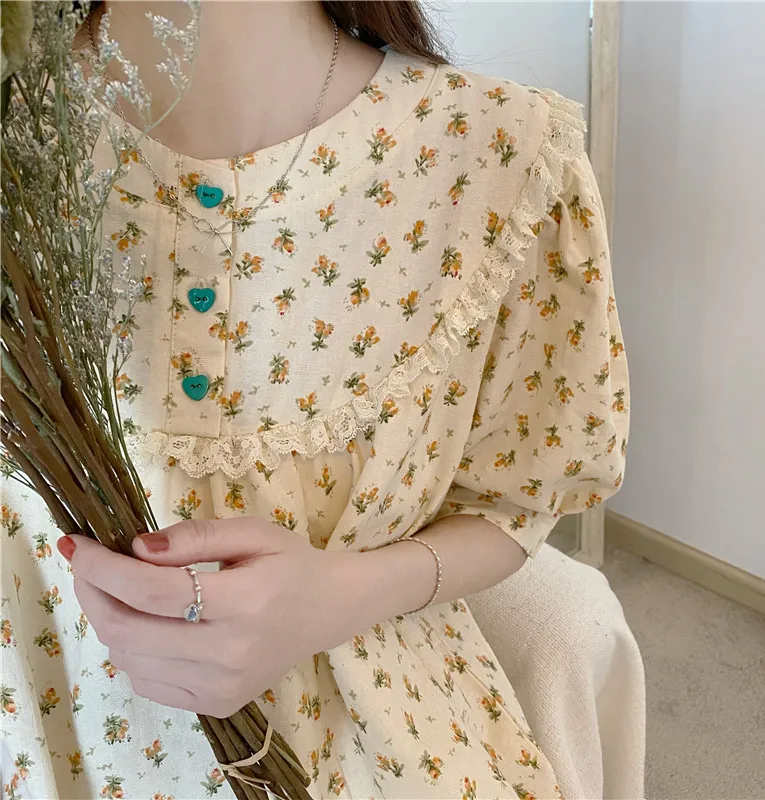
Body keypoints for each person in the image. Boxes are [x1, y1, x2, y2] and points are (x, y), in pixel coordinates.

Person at [0, 2, 637, 798]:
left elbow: (518, 499)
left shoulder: (501, 154)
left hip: (363, 731)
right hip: (35, 711)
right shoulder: (20, 130)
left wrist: (337, 596)